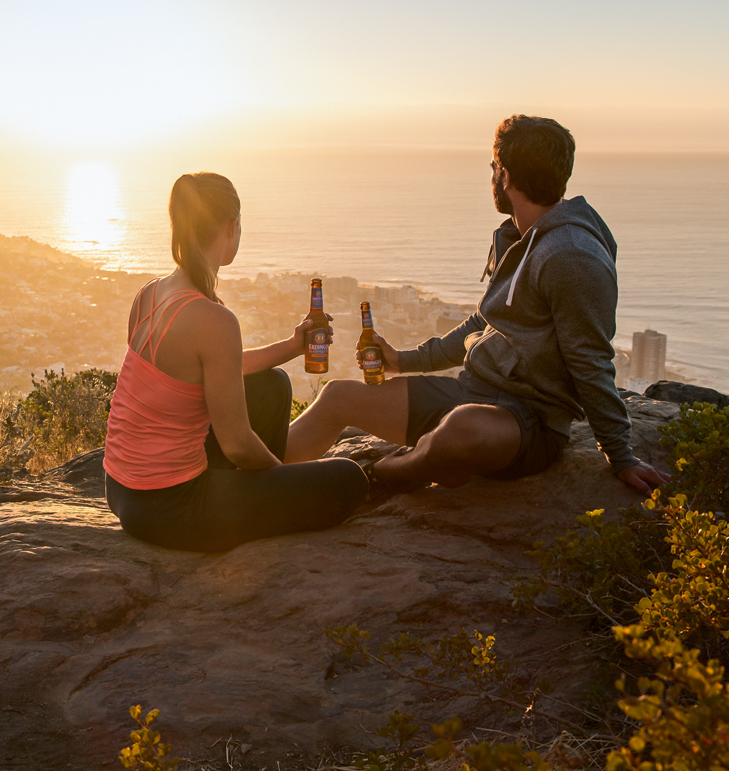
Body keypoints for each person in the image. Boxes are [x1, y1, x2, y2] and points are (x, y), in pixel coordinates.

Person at [285, 115, 671, 495]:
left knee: (461, 430)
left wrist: (620, 456)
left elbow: (590, 360)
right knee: (338, 396)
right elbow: (482, 323)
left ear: (503, 175)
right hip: (471, 391)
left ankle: (389, 472)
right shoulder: (519, 238)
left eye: (493, 168)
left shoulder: (570, 255)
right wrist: (404, 360)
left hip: (529, 423)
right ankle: (257, 475)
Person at [103, 172, 370, 552]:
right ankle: (253, 494)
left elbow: (218, 369)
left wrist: (294, 346)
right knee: (349, 480)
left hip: (121, 489)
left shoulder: (150, 293)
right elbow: (238, 445)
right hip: (171, 507)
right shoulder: (213, 319)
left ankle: (248, 492)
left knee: (272, 384)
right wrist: (282, 483)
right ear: (231, 228)